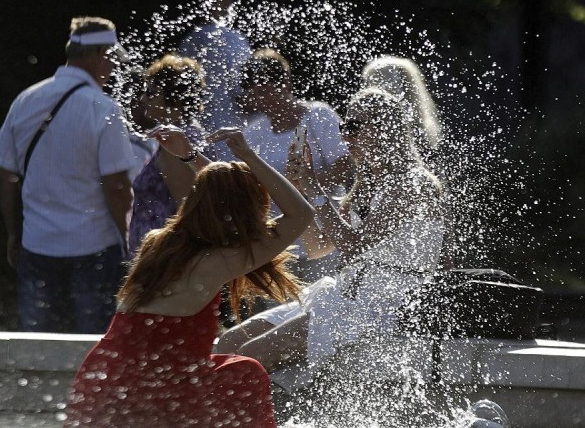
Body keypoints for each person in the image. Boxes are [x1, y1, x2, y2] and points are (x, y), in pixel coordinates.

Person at [64, 127, 314, 427]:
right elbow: (301, 214)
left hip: (102, 379)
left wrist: (193, 158)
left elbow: (220, 196)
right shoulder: (219, 261)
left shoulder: (158, 244)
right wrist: (247, 155)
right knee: (246, 372)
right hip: (154, 389)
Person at [216, 88, 445, 378]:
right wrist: (303, 190)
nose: (345, 136)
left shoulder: (414, 184)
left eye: (353, 126)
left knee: (250, 357)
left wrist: (316, 189)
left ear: (383, 127)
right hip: (343, 295)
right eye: (342, 127)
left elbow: (354, 247)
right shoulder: (365, 185)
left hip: (381, 305)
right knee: (229, 342)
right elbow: (318, 248)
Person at [0, 16, 136, 333]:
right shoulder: (103, 107)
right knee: (93, 347)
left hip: (37, 244)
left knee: (39, 347)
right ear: (100, 55)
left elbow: (5, 175)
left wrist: (14, 232)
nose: (113, 70)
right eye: (112, 61)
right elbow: (117, 184)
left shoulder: (27, 98)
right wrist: (126, 238)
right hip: (94, 246)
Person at [237, 48, 352, 282]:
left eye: (266, 88)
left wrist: (305, 184)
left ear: (285, 82)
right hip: (279, 242)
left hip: (324, 233)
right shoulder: (254, 133)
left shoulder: (317, 117)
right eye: (256, 92)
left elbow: (346, 164)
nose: (262, 97)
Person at [127, 54, 215, 256]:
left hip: (167, 260)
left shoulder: (176, 144)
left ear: (173, 98)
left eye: (151, 93)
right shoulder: (185, 136)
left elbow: (187, 211)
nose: (143, 99)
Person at [179, 0, 251, 160]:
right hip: (231, 136)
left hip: (198, 136)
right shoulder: (233, 40)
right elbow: (243, 92)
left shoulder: (188, 42)